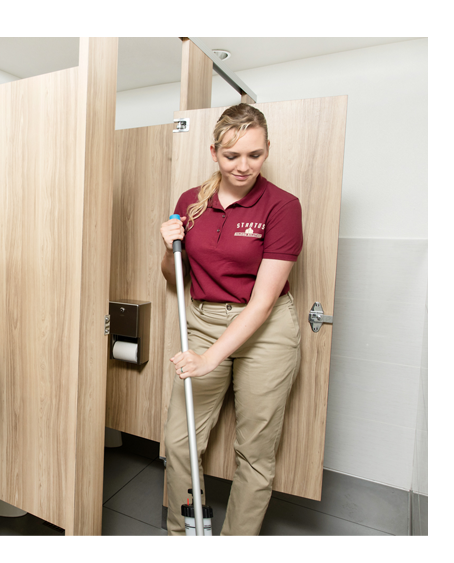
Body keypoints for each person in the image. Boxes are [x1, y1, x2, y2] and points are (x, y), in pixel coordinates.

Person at [159, 103, 302, 536]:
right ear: (213, 152)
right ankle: (183, 529)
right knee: (180, 442)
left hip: (267, 331)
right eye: (231, 156)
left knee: (254, 452)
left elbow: (261, 304)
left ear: (267, 150)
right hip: (203, 320)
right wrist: (169, 248)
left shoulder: (282, 206)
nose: (243, 166)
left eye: (254, 155)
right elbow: (175, 278)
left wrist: (209, 360)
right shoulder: (190, 202)